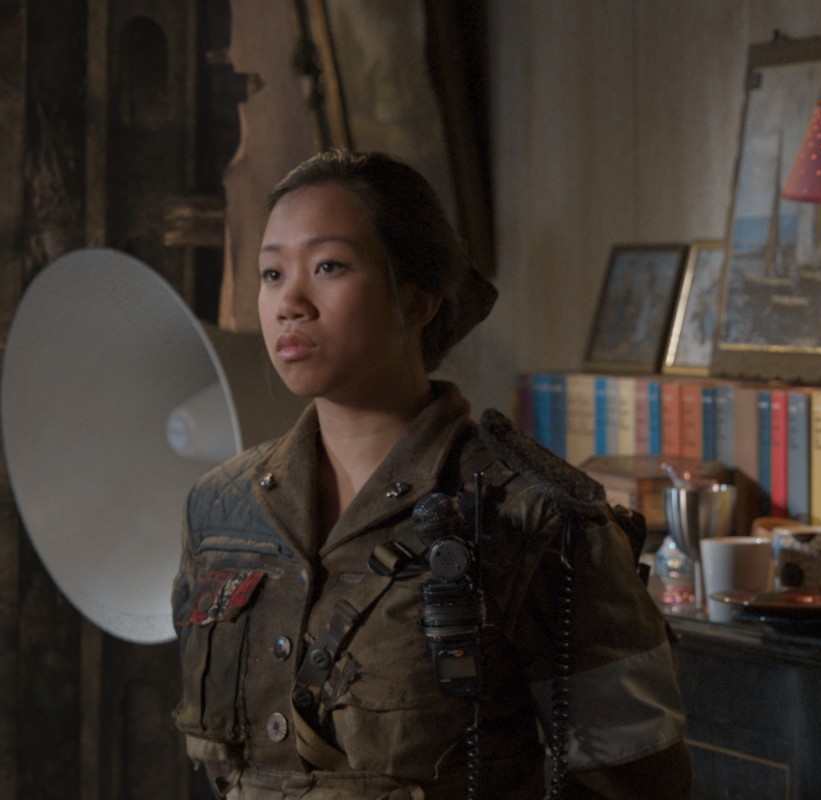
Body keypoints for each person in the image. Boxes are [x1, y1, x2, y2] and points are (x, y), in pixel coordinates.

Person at [170, 150, 693, 799]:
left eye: (329, 266)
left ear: (417, 297)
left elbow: (638, 783)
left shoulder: (529, 516)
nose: (289, 303)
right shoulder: (221, 511)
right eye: (272, 273)